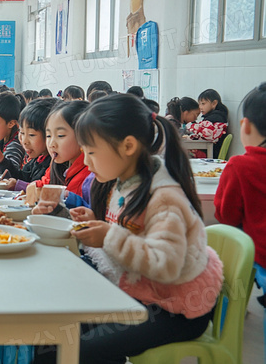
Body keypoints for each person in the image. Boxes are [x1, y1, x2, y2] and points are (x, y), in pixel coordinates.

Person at [33, 93, 222, 363]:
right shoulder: (126, 182)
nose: (86, 162)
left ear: (128, 146)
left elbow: (166, 264)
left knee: (68, 349)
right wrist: (88, 221)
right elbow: (129, 232)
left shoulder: (165, 197)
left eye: (92, 152)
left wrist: (109, 235)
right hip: (141, 290)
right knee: (50, 335)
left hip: (174, 309)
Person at [214, 82, 266, 302]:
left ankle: (227, 326)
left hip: (261, 253)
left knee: (224, 262)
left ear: (245, 126)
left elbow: (227, 216)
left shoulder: (240, 166)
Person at [30, 100, 92, 212]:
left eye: (60, 135)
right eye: (48, 135)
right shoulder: (60, 165)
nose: (51, 143)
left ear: (83, 135)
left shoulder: (88, 173)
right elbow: (45, 183)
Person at [6, 98, 55, 191]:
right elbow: (23, 176)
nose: (24, 141)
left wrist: (18, 185)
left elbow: (45, 190)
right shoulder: (37, 159)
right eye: (22, 133)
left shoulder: (54, 164)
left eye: (31, 135)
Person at [186, 88, 229, 158]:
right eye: (199, 104)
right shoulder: (215, 117)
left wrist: (190, 126)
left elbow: (206, 134)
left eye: (203, 104)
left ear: (214, 103)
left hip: (210, 152)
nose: (200, 107)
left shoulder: (217, 118)